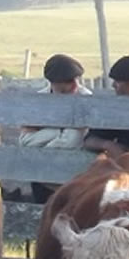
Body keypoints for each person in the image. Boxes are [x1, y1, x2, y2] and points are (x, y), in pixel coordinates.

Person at [20, 54, 92, 203]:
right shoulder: (39, 99)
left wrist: (43, 141)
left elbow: (74, 140)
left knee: (72, 137)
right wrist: (59, 133)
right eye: (66, 81)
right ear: (53, 82)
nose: (74, 85)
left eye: (75, 79)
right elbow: (26, 139)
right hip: (43, 173)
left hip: (72, 171)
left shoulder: (86, 98)